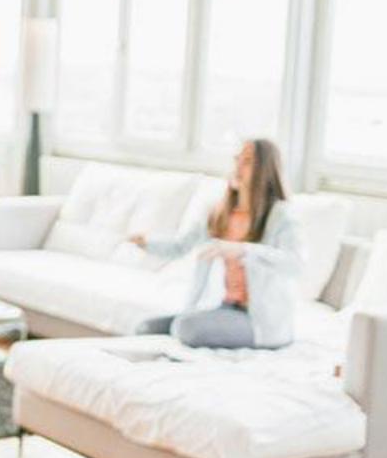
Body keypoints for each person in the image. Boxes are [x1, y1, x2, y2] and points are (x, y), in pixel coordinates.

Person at [129, 138, 301, 349]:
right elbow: (181, 246)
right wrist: (147, 242)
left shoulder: (281, 215)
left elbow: (294, 264)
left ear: (265, 170)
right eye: (237, 159)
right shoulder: (219, 213)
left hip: (259, 321)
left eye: (247, 161)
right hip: (224, 308)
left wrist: (241, 250)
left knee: (186, 328)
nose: (238, 167)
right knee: (145, 328)